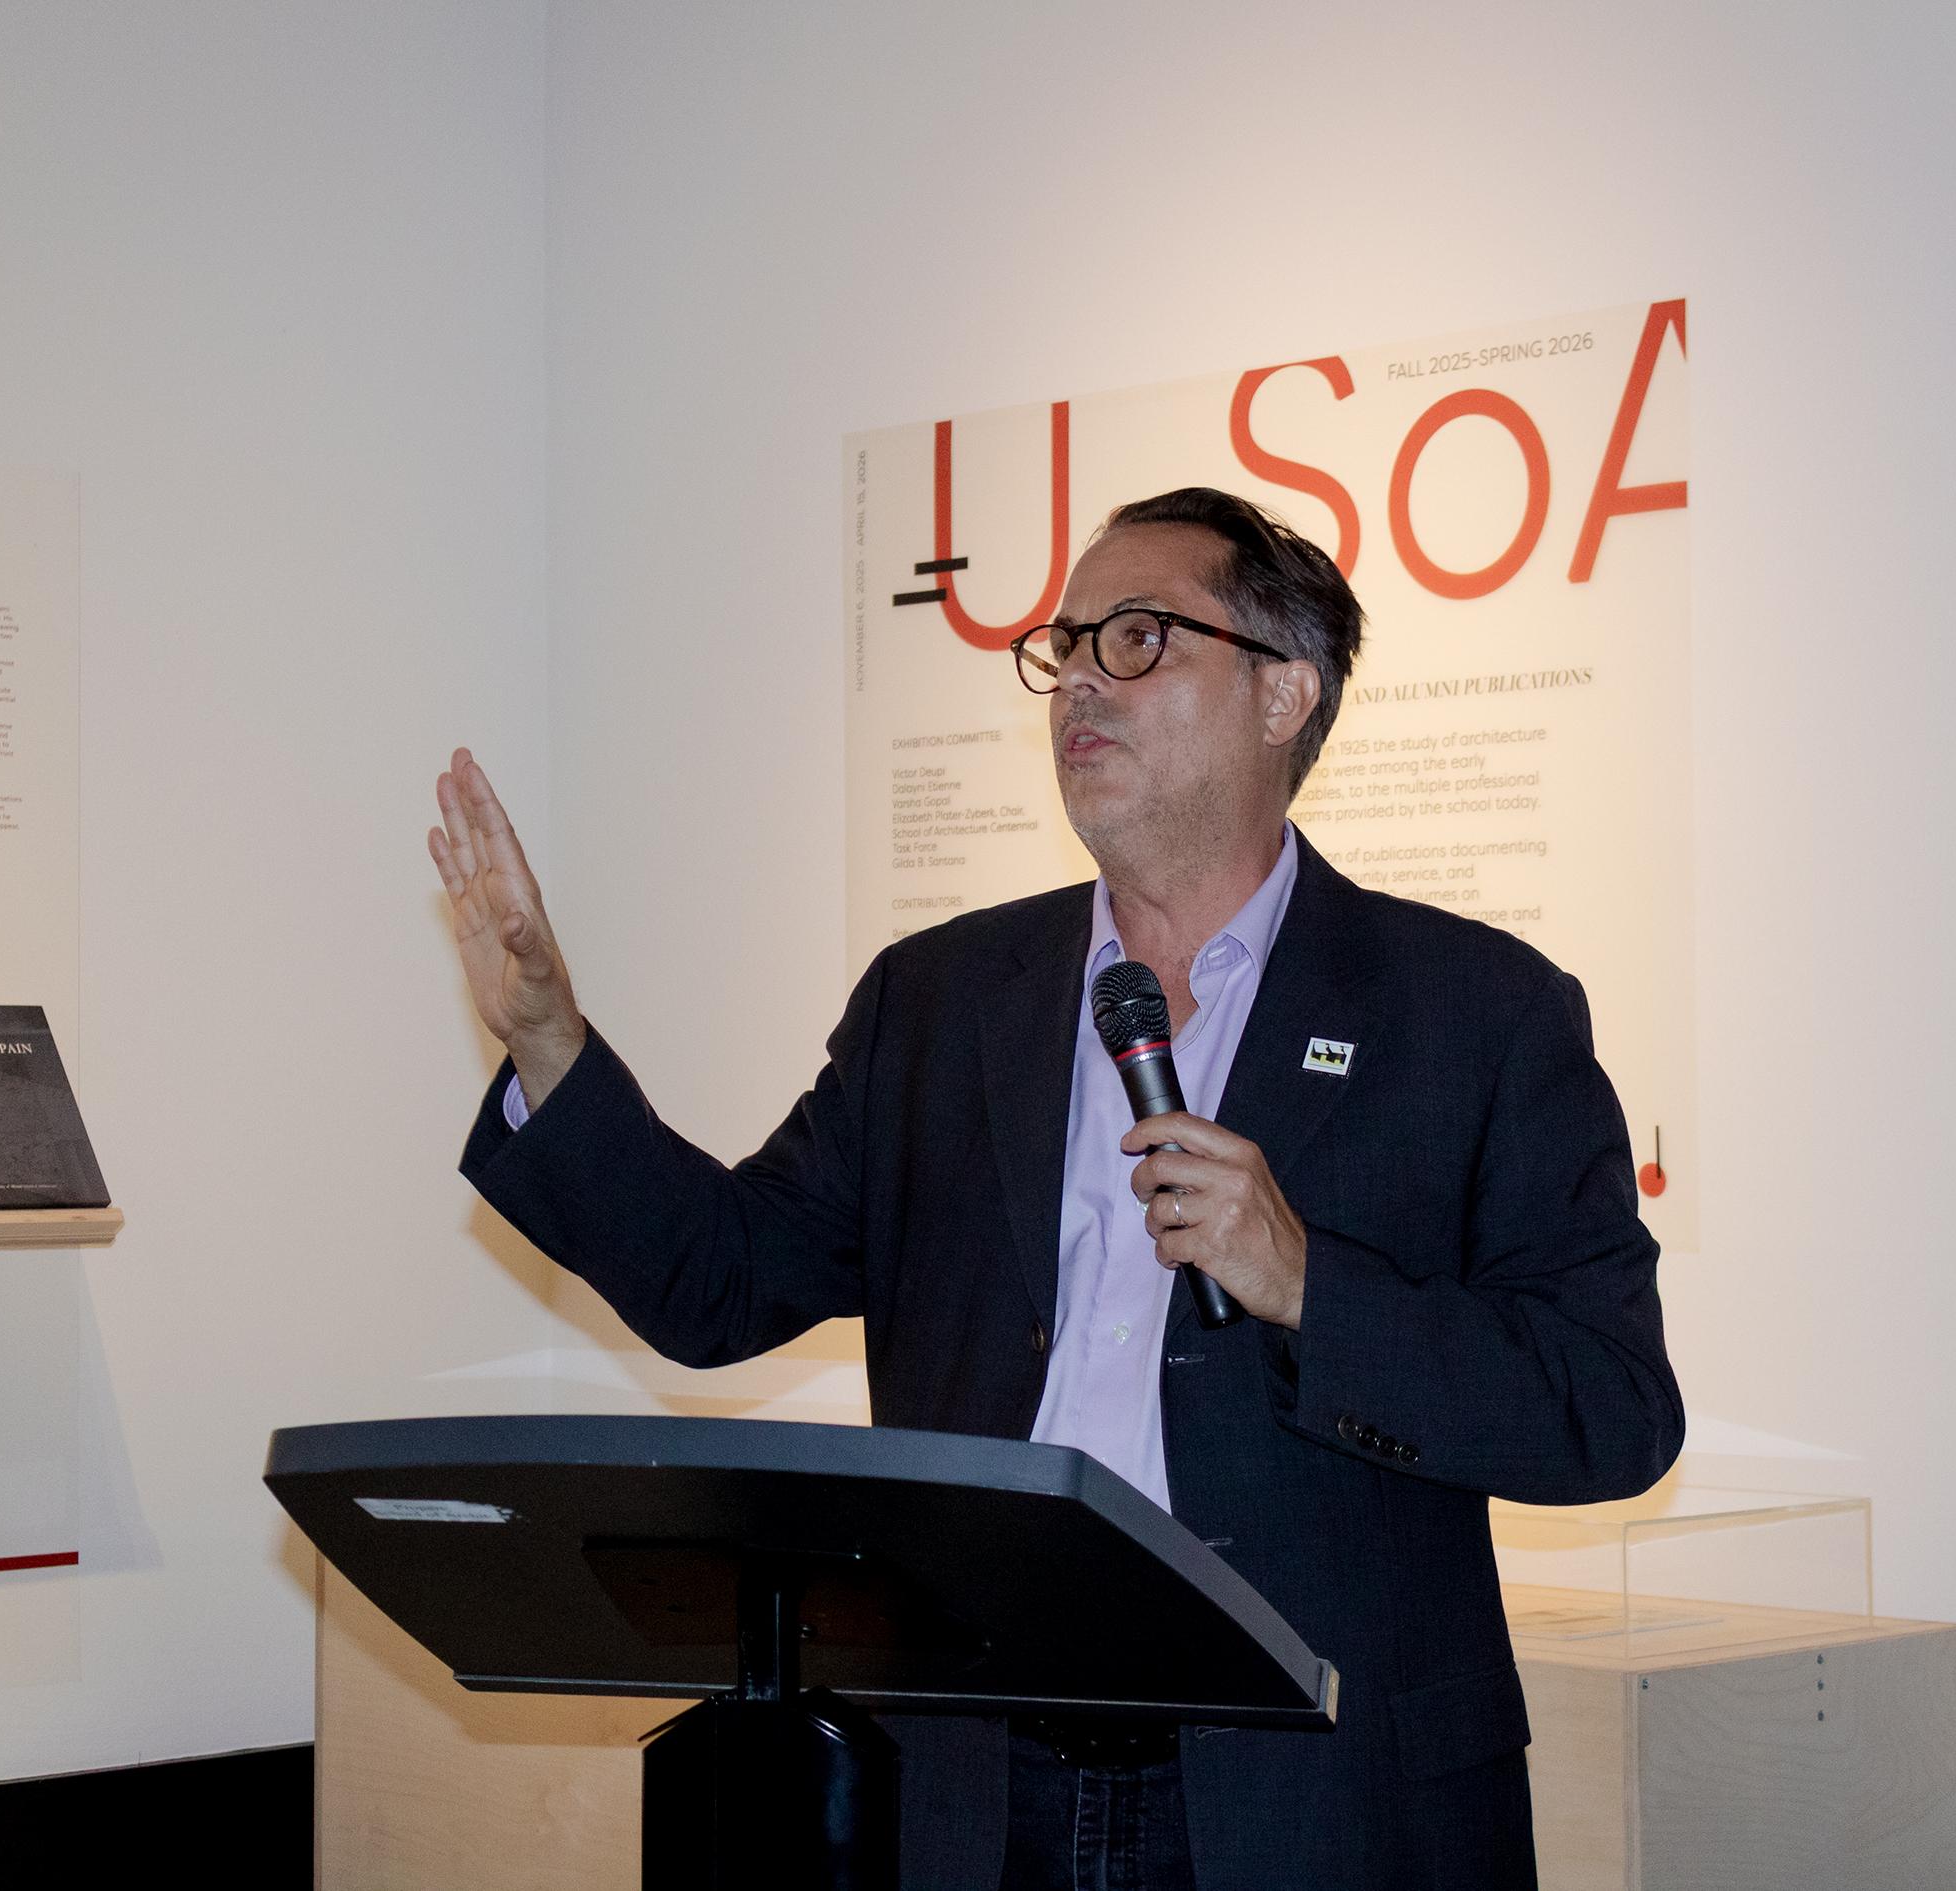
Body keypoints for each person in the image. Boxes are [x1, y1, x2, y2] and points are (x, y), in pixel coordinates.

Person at [428, 487, 1682, 1891]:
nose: (1080, 676)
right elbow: (717, 1282)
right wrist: (549, 1043)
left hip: (1321, 1799)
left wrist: (1310, 1286)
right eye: (1065, 644)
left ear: (1284, 694)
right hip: (976, 1789)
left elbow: (1612, 1408)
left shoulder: (1475, 1014)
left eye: (1138, 637)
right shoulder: (941, 1000)